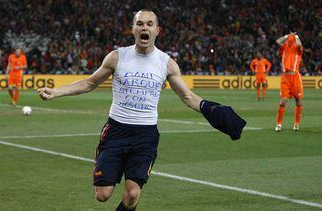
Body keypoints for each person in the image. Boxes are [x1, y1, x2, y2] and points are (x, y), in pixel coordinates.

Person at [38, 9, 245, 211]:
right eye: (139, 23)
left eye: (149, 24)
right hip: (116, 131)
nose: (144, 27)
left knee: (132, 195)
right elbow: (89, 83)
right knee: (102, 195)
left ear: (157, 31)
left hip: (145, 135)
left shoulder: (167, 64)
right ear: (133, 29)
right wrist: (56, 92)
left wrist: (211, 109)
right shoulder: (117, 57)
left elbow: (188, 97)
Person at [275, 33, 304, 131]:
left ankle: (296, 124)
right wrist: (287, 35)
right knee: (283, 101)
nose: (290, 42)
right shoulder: (284, 48)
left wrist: (296, 37)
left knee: (298, 101)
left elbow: (299, 45)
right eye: (289, 40)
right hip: (285, 78)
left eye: (292, 40)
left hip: (295, 77)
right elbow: (278, 41)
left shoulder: (298, 50)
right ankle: (279, 124)